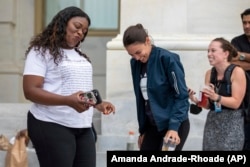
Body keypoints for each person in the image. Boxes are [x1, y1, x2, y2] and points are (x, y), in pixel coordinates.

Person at [23, 6, 115, 167]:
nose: (80, 33)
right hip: (50, 122)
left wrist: (99, 104)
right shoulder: (40, 52)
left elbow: (80, 88)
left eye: (84, 31)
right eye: (77, 27)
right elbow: (30, 91)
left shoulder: (79, 54)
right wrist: (67, 101)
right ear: (62, 24)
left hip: (83, 125)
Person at [122, 23, 190, 151]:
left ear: (147, 41)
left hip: (174, 124)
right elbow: (141, 99)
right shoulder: (135, 64)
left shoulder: (167, 59)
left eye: (138, 52)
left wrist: (173, 128)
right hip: (152, 126)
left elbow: (181, 96)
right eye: (132, 55)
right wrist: (143, 130)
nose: (136, 58)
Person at [189, 37, 246, 150]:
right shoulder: (209, 73)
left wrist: (216, 97)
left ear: (225, 53)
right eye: (208, 51)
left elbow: (236, 103)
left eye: (213, 51)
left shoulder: (237, 72)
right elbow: (208, 105)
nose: (209, 54)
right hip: (213, 122)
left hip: (232, 124)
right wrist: (196, 100)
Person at [230, 8, 250, 151]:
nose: (247, 26)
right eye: (244, 22)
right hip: (244, 96)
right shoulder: (236, 41)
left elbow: (238, 59)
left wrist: (242, 56)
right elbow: (232, 63)